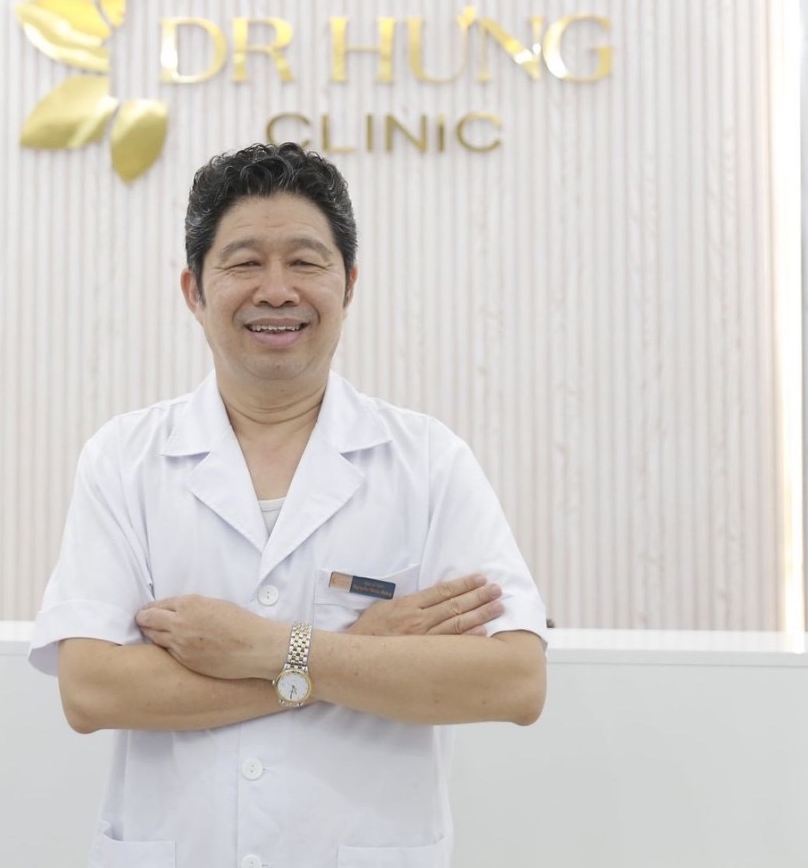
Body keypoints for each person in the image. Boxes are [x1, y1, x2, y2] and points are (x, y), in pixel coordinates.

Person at [30, 142, 547, 868]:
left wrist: (268, 648)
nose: (277, 291)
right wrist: (359, 649)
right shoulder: (124, 458)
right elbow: (92, 691)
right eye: (244, 263)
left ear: (349, 284)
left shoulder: (428, 460)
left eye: (305, 262)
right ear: (193, 291)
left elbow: (513, 682)